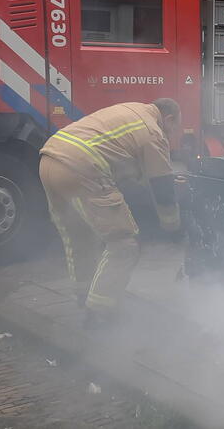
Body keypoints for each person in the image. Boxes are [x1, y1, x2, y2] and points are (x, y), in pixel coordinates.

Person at [39, 99, 183, 323]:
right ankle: (99, 313)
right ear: (169, 119)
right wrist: (172, 226)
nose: (172, 134)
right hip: (82, 167)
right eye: (175, 128)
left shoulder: (132, 110)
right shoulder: (154, 132)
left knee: (79, 237)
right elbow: (161, 185)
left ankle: (84, 294)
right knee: (124, 244)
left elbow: (126, 162)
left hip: (49, 160)